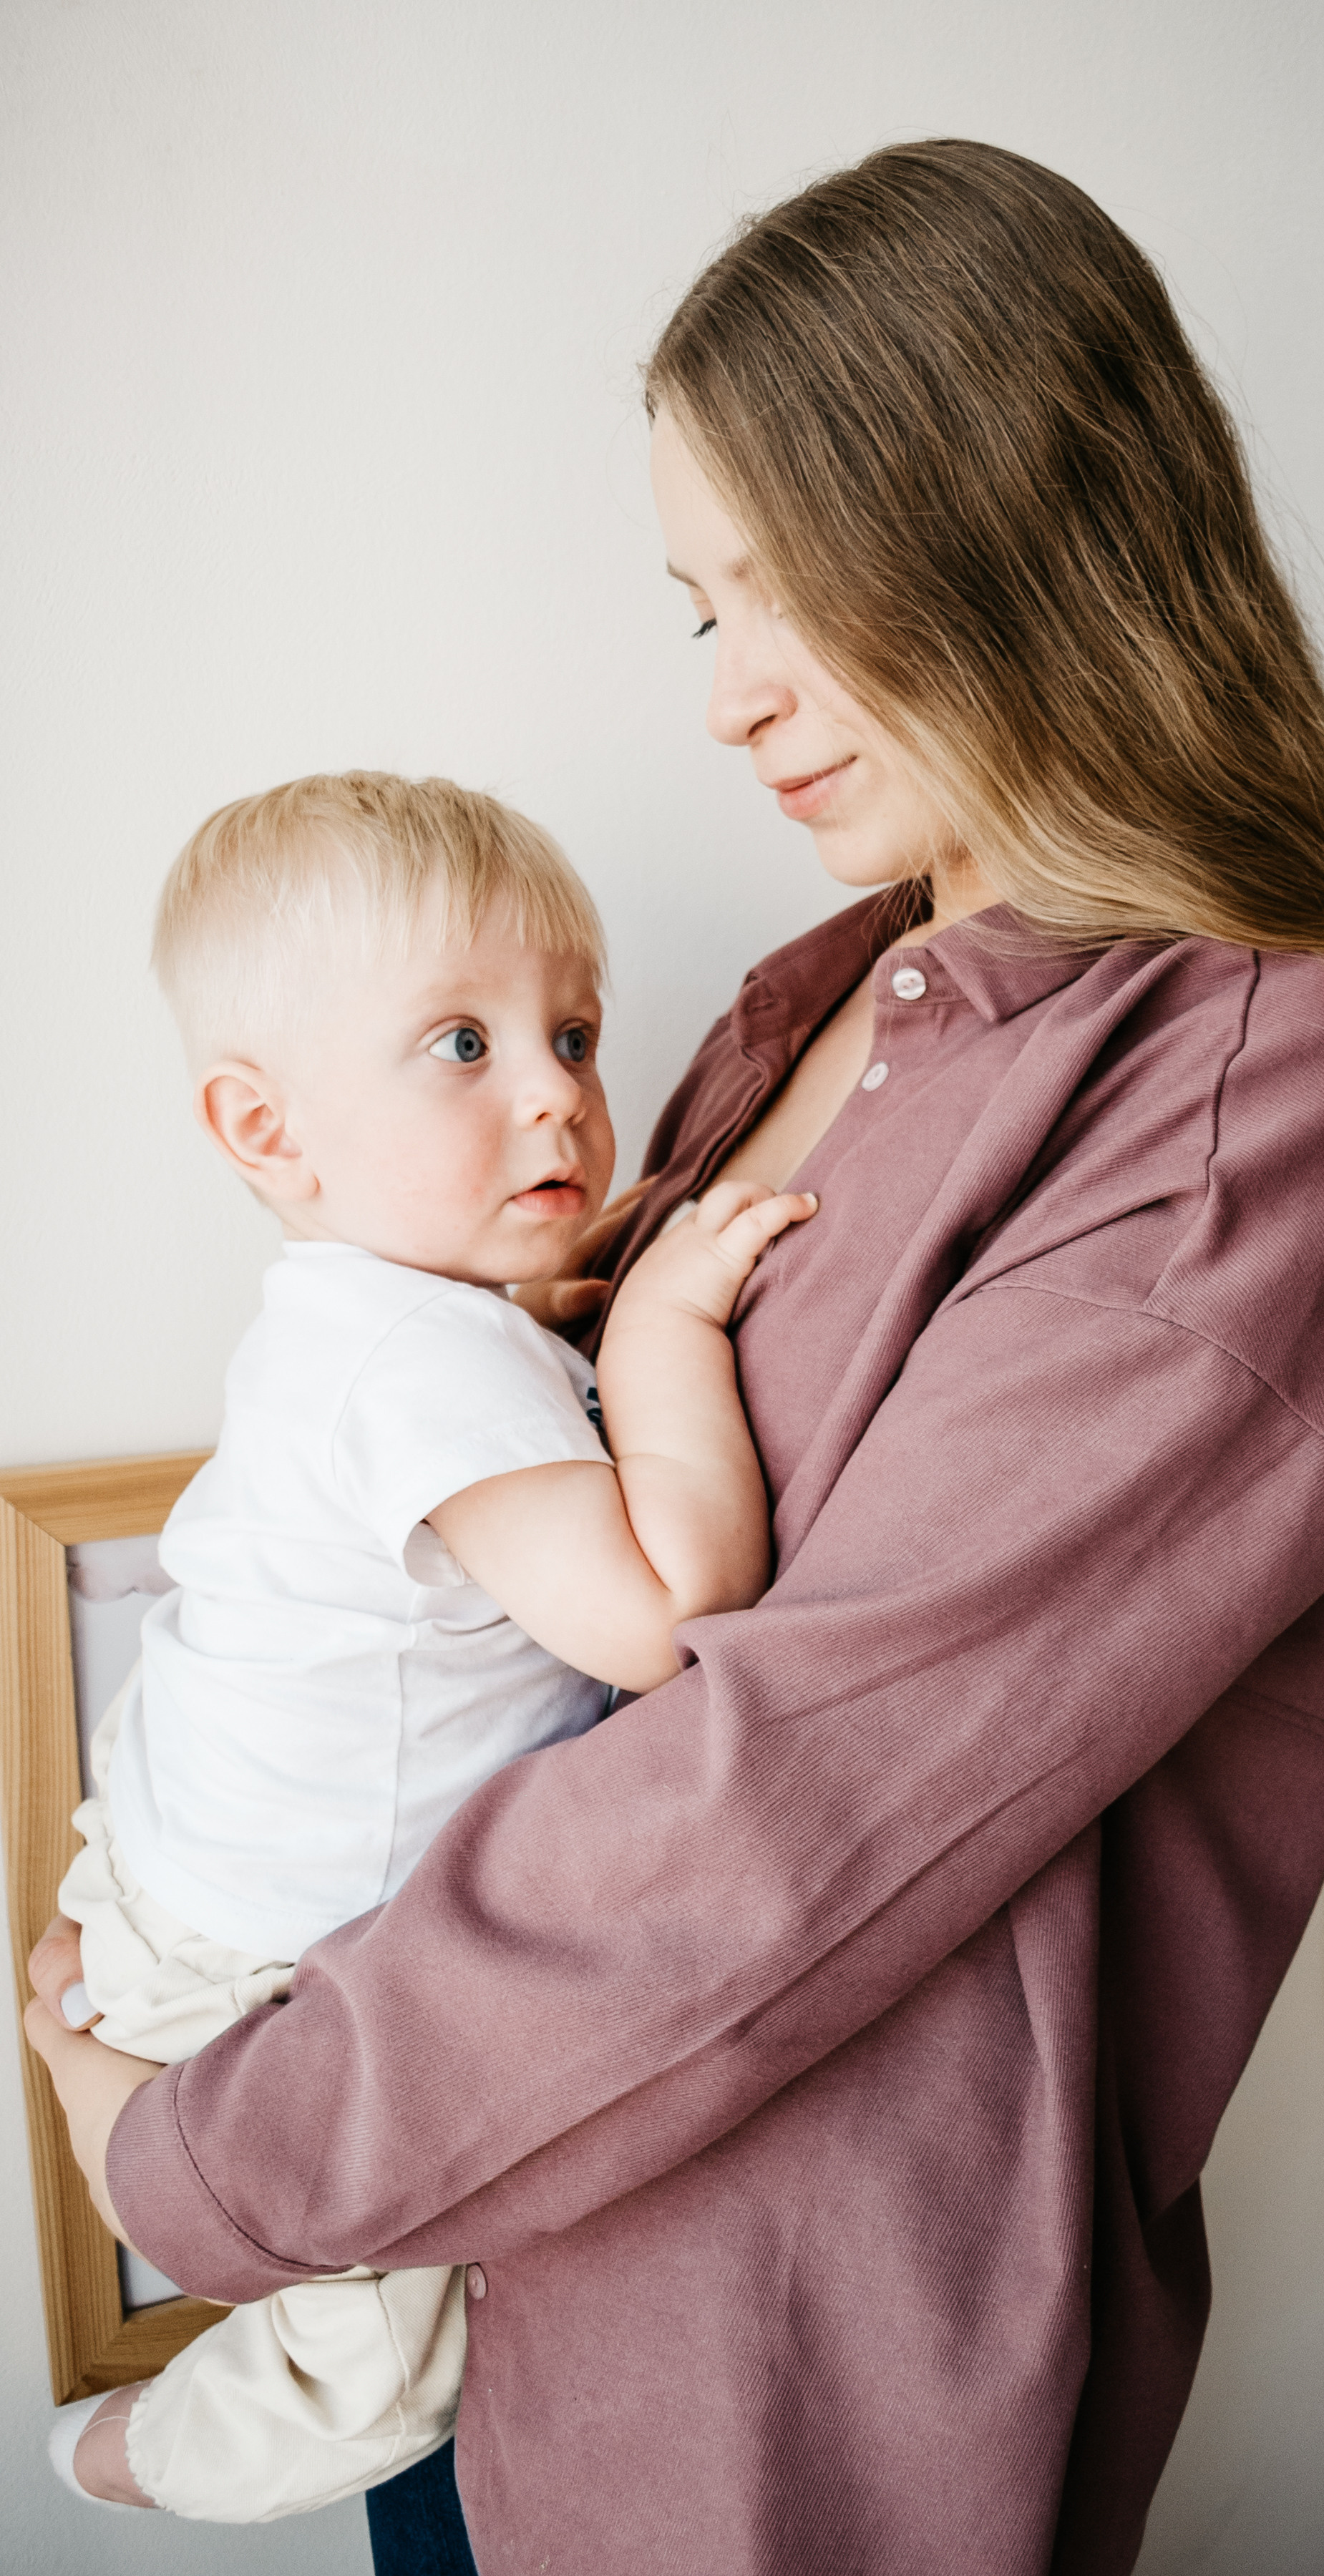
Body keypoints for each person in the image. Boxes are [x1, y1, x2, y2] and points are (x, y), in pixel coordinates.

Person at [29, 141, 1324, 2575]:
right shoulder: (821, 994)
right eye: (694, 608)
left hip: (751, 2408)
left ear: (1018, 525)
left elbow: (790, 1803)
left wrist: (207, 2156)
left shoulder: (1268, 1093)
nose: (732, 693)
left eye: (787, 589)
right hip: (487, 2246)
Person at [39, 772, 813, 2520]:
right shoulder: (423, 1363)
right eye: (461, 1045)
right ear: (267, 1131)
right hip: (258, 1973)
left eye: (575, 1032)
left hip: (179, 1856)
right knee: (396, 2359)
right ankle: (135, 2455)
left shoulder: (372, 1316)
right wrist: (673, 1321)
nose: (557, 1091)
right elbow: (671, 1617)